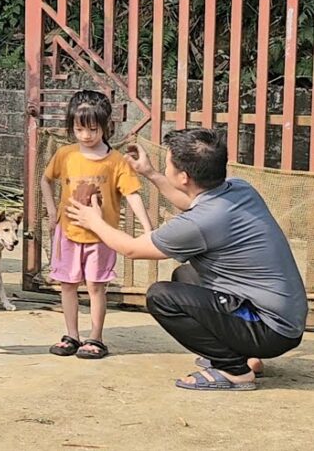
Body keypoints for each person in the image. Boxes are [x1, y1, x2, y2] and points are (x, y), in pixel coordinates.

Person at [68, 128, 307, 390]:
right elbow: (190, 201)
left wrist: (94, 222)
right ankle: (246, 355)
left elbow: (133, 250)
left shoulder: (200, 223)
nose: (165, 165)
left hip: (270, 330)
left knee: (162, 297)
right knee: (186, 277)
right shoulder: (239, 189)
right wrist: (150, 173)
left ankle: (233, 369)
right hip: (282, 318)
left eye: (167, 163)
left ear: (183, 176)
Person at [41, 90, 153, 360]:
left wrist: (148, 229)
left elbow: (132, 194)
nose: (86, 135)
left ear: (106, 127)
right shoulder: (65, 154)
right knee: (67, 285)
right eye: (80, 129)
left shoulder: (115, 161)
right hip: (68, 232)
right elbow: (46, 180)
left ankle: (96, 337)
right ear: (72, 128)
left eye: (93, 129)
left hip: (102, 237)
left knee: (95, 286)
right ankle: (71, 335)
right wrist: (52, 210)